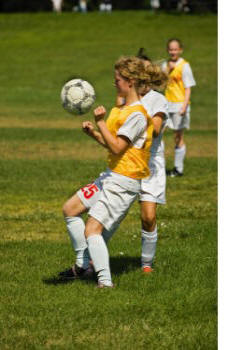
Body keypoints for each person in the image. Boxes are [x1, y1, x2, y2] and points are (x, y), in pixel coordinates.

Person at [61, 56, 155, 287]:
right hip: (111, 175)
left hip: (125, 181)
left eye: (118, 80)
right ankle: (83, 264)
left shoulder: (137, 114)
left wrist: (101, 122)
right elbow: (113, 147)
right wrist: (94, 133)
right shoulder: (120, 109)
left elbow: (117, 146)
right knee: (70, 209)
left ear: (130, 81)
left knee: (93, 228)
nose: (115, 84)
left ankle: (104, 283)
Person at [116, 48, 169, 273]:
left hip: (150, 165)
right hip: (127, 161)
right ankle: (92, 260)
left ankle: (146, 264)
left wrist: (137, 115)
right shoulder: (125, 99)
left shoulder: (158, 99)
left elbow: (155, 131)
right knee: (112, 214)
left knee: (148, 217)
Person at [162, 38, 196, 177]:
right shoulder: (165, 65)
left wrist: (184, 106)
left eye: (175, 49)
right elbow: (161, 83)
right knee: (158, 133)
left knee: (178, 137)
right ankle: (158, 167)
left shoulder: (184, 66)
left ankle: (178, 169)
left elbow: (188, 88)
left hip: (179, 105)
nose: (173, 52)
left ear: (180, 50)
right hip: (165, 104)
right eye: (171, 49)